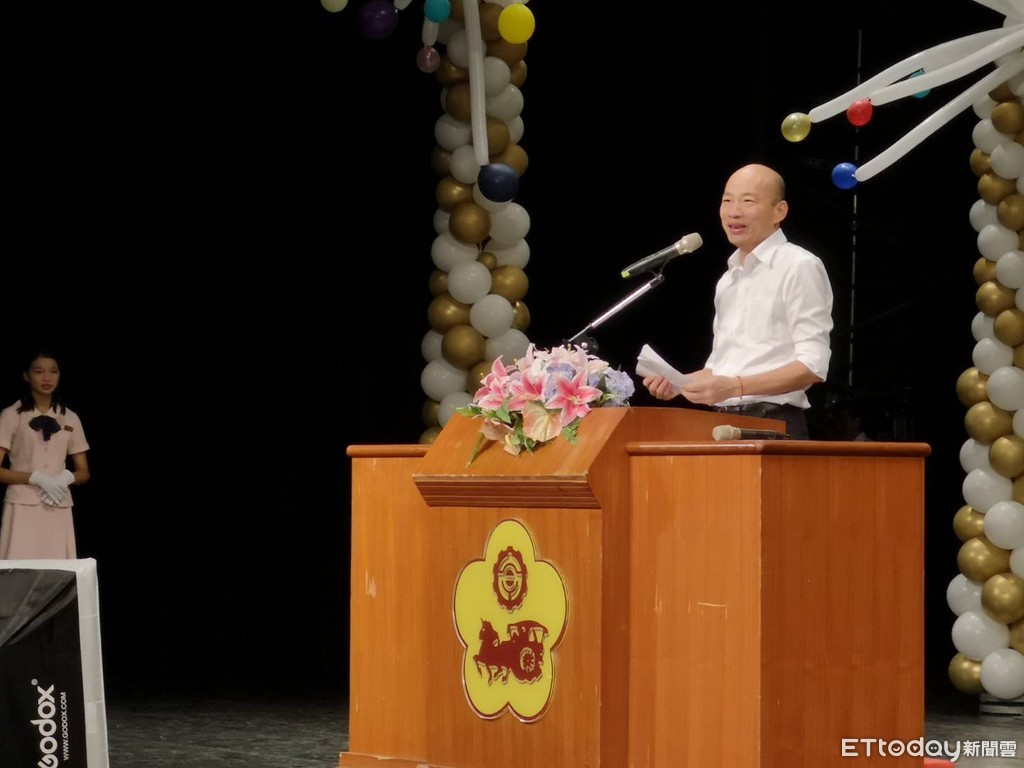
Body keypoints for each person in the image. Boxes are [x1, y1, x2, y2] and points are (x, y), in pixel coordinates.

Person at [643, 163, 834, 439]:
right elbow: (722, 369)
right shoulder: (728, 279)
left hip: (774, 425)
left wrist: (734, 387)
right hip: (723, 426)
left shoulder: (799, 266)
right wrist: (679, 384)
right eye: (727, 201)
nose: (734, 211)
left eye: (748, 201)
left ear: (779, 211)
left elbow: (812, 366)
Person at [0, 349, 91, 558]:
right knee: (20, 565)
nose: (47, 378)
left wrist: (66, 477)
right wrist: (34, 477)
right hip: (22, 504)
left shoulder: (70, 417)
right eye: (39, 371)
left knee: (56, 566)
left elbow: (84, 471)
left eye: (53, 371)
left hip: (58, 502)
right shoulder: (11, 415)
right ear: (26, 375)